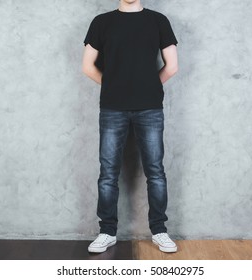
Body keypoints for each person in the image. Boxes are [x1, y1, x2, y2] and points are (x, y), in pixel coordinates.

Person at [82, 0, 179, 253]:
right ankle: (107, 232)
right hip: (113, 108)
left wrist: (148, 87)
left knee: (155, 171)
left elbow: (173, 66)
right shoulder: (102, 22)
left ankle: (159, 231)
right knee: (108, 173)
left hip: (150, 108)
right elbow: (87, 66)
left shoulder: (158, 21)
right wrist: (114, 86)